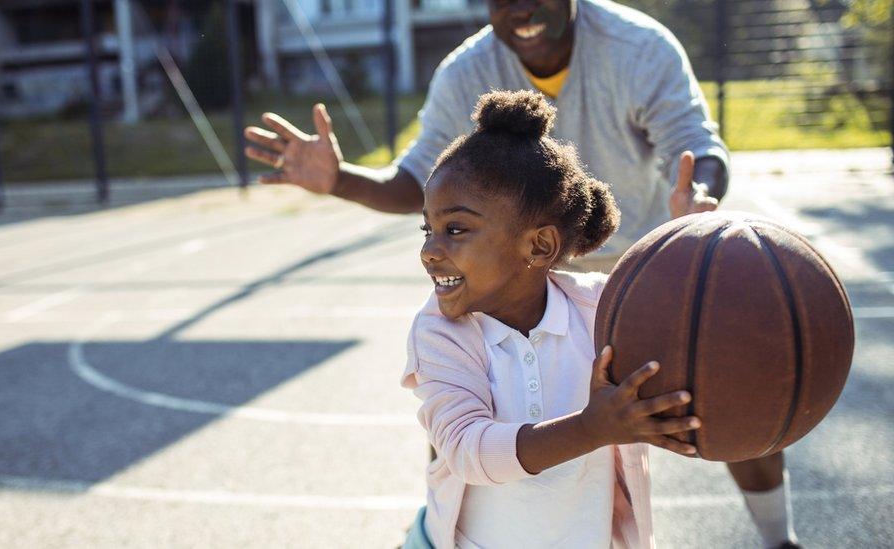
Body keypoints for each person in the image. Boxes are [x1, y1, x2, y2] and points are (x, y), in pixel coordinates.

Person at [245, 2, 798, 546]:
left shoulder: (638, 47)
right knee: (459, 425)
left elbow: (695, 144)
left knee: (719, 380)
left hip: (632, 264)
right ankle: (448, 531)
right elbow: (418, 179)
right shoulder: (466, 72)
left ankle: (779, 537)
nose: (521, 7)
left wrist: (698, 200)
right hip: (503, 269)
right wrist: (340, 179)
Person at [401, 89, 700, 548]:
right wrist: (592, 428)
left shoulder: (601, 309)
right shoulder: (440, 332)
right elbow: (466, 449)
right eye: (429, 229)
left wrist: (693, 241)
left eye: (455, 229)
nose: (429, 250)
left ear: (539, 246)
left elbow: (687, 324)